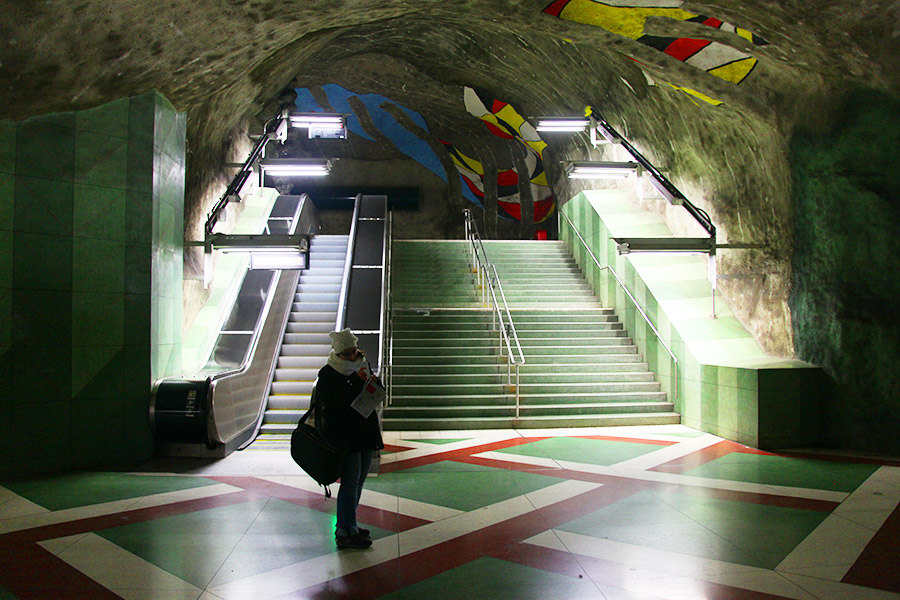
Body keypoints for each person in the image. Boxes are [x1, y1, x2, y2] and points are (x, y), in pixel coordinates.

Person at [316, 328, 385, 550]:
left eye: (354, 351)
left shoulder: (362, 365)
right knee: (350, 482)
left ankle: (349, 524)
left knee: (359, 481)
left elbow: (373, 391)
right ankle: (344, 530)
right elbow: (335, 402)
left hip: (365, 430)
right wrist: (355, 382)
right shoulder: (328, 373)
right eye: (347, 353)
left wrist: (374, 383)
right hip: (346, 435)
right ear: (338, 353)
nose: (352, 356)